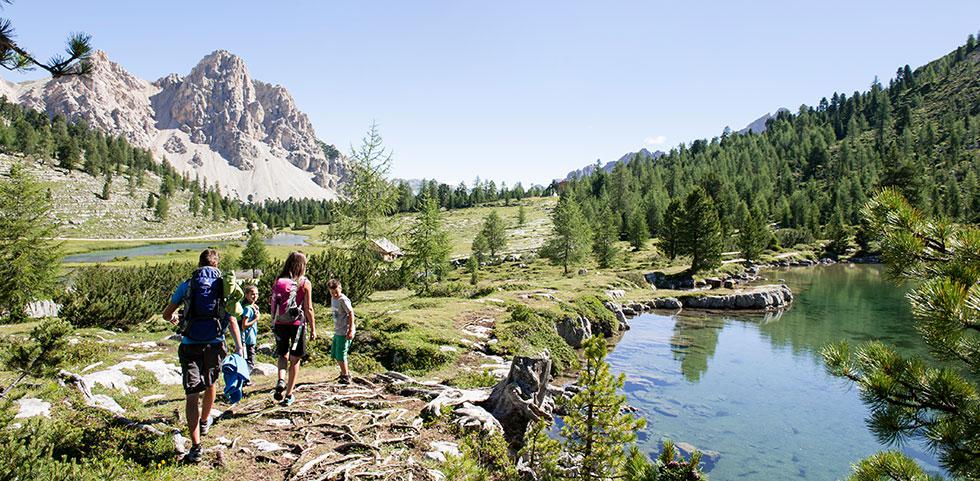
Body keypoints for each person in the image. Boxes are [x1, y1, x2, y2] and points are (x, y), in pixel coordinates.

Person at [162, 248, 244, 464]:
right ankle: (206, 420)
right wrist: (239, 347)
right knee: (210, 384)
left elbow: (166, 314)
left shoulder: (187, 285)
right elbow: (234, 318)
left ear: (199, 265)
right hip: (215, 344)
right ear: (216, 265)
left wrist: (174, 319)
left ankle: (196, 446)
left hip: (190, 344)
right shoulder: (223, 287)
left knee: (191, 394)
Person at [271, 251, 316, 406]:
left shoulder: (278, 280)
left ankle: (281, 379)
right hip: (297, 325)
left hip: (280, 324)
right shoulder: (305, 283)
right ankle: (289, 394)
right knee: (295, 359)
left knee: (283, 355)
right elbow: (308, 308)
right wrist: (313, 329)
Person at [327, 279, 355, 385]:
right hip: (338, 330)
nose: (334, 294)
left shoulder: (343, 299)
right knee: (335, 353)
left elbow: (351, 312)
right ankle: (344, 372)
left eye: (336, 292)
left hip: (345, 331)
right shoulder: (333, 298)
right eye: (332, 292)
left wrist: (350, 330)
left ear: (340, 288)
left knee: (341, 354)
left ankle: (346, 376)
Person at [239, 284, 259, 375]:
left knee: (249, 360)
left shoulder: (252, 307)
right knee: (249, 361)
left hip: (250, 339)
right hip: (247, 340)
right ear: (246, 295)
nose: (255, 296)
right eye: (252, 294)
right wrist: (256, 319)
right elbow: (244, 325)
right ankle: (246, 379)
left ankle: (245, 378)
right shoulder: (248, 308)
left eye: (256, 294)